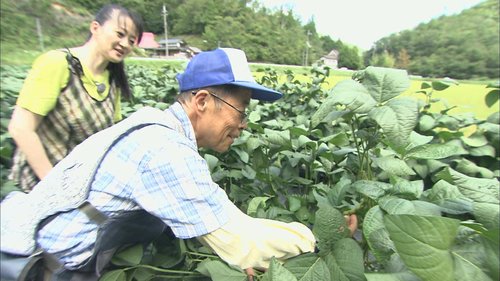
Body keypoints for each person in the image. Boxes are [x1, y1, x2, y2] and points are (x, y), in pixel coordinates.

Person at [0, 48, 357, 280]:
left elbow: (223, 224)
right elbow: (244, 241)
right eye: (241, 111)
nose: (244, 124)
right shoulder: (165, 151)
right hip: (41, 267)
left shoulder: (153, 122)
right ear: (202, 100)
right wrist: (321, 238)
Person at [7, 4, 144, 192]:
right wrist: (53, 185)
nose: (125, 44)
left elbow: (111, 136)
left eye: (131, 40)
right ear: (95, 28)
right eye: (120, 34)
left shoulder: (112, 80)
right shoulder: (57, 63)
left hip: (80, 185)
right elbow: (20, 128)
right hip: (39, 185)